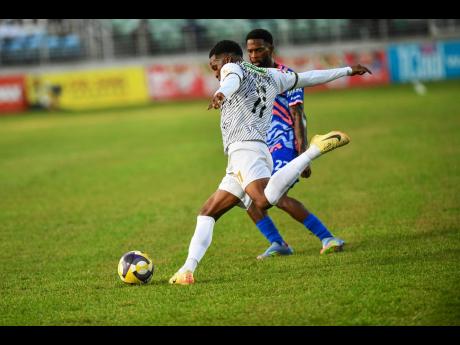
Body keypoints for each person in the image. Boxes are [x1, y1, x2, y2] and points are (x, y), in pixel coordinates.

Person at [169, 40, 371, 285]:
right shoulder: (273, 75)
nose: (215, 72)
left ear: (228, 59)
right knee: (207, 212)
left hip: (246, 149)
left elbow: (231, 78)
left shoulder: (231, 69)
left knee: (263, 200)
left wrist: (222, 92)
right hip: (249, 153)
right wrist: (347, 70)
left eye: (215, 66)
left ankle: (314, 150)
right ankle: (186, 270)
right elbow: (309, 77)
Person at [244, 29, 345, 259]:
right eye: (249, 51)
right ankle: (278, 243)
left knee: (276, 196)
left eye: (258, 49)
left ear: (270, 48)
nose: (253, 55)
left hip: (284, 142)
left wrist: (302, 154)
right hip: (260, 146)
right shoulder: (249, 77)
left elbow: (298, 115)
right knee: (247, 197)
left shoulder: (288, 76)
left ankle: (328, 238)